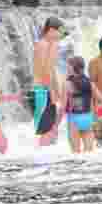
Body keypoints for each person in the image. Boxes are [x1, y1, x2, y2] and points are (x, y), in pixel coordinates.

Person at [32, 17, 67, 147]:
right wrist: (52, 91)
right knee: (45, 130)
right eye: (60, 32)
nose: (61, 36)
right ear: (51, 30)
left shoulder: (48, 44)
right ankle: (40, 157)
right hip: (43, 90)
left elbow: (51, 69)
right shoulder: (44, 45)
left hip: (44, 89)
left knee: (48, 129)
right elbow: (44, 70)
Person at [65, 56, 102, 153]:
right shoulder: (89, 83)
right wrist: (94, 110)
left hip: (74, 119)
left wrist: (55, 125)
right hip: (88, 119)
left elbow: (63, 106)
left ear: (72, 67)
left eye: (68, 66)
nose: (66, 69)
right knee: (89, 154)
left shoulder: (67, 84)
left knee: (75, 154)